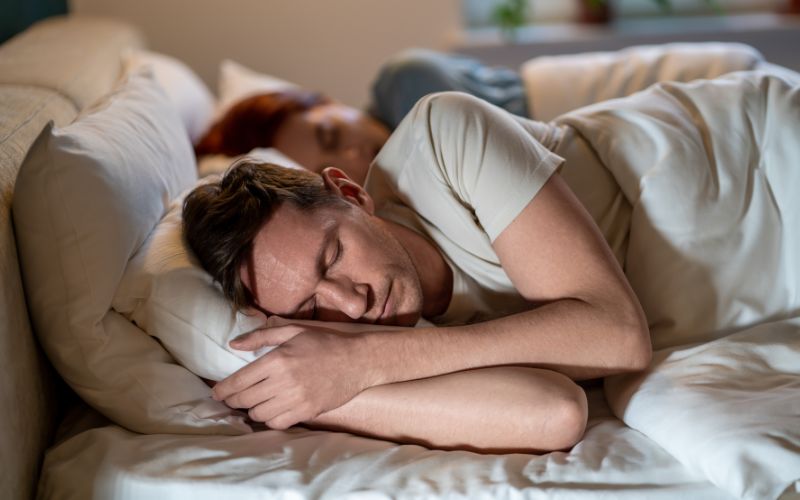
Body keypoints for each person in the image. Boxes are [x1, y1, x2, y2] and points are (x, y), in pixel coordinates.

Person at [183, 89, 655, 453]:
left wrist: (369, 359)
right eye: (311, 307)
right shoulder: (381, 329)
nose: (350, 303)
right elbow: (554, 412)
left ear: (350, 195)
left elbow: (618, 337)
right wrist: (322, 387)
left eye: (333, 256)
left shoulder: (443, 134)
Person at [194, 50, 528, 185]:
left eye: (333, 134)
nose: (354, 158)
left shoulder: (409, 86)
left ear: (330, 101)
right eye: (326, 169)